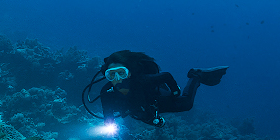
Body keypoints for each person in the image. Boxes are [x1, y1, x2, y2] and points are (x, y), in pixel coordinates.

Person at [86, 50, 227, 128]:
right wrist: (109, 123)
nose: (117, 78)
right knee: (143, 115)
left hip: (155, 97)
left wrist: (175, 91)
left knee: (187, 104)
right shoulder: (106, 93)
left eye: (121, 72)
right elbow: (107, 112)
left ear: (129, 73)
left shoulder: (141, 81)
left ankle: (196, 75)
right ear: (107, 75)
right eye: (112, 74)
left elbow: (166, 76)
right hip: (139, 109)